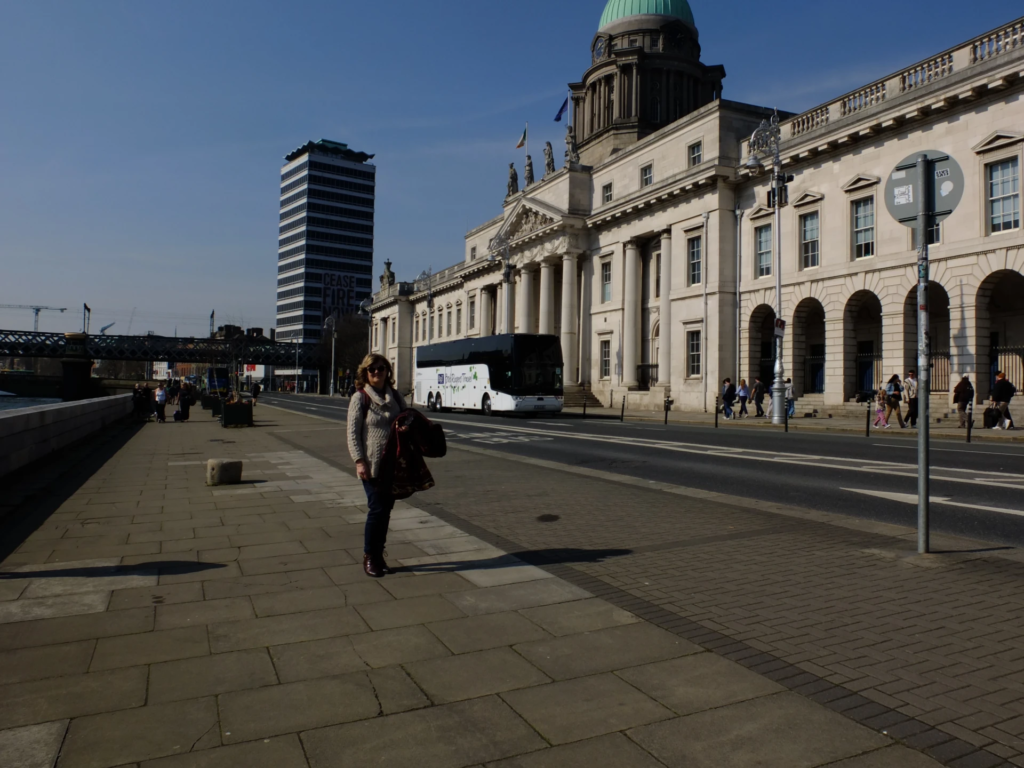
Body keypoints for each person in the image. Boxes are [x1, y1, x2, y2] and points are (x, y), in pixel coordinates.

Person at [348, 354, 408, 578]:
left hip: (393, 463)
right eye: (372, 369)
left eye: (381, 368)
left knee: (385, 511)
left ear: (387, 371)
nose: (377, 372)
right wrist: (359, 461)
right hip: (371, 465)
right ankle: (370, 556)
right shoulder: (360, 398)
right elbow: (353, 433)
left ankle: (379, 554)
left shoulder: (396, 397)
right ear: (366, 372)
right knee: (377, 509)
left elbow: (406, 419)